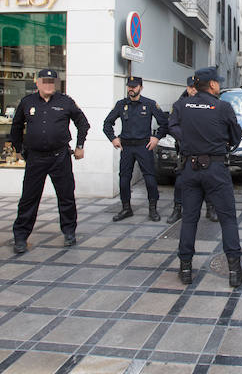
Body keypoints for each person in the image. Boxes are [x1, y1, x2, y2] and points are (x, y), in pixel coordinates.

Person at [168, 66, 242, 287]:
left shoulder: (182, 105)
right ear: (211, 84)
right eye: (218, 82)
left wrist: (187, 142)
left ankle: (185, 270)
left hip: (190, 169)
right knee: (228, 219)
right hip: (216, 169)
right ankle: (234, 271)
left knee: (189, 219)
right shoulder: (222, 107)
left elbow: (171, 125)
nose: (219, 85)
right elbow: (236, 137)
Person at [10, 69, 90, 253]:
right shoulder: (27, 102)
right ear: (37, 83)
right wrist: (18, 149)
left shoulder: (66, 101)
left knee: (66, 197)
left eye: (52, 82)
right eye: (45, 81)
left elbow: (83, 123)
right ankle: (21, 236)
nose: (49, 85)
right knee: (29, 199)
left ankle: (69, 232)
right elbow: (15, 126)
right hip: (35, 158)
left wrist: (80, 146)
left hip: (59, 157)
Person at [103, 76, 169, 222]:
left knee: (150, 179)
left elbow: (164, 123)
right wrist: (113, 138)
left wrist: (156, 137)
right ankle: (126, 208)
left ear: (141, 87)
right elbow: (107, 123)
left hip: (143, 146)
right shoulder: (121, 105)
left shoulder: (149, 104)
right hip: (126, 147)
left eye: (134, 86)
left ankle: (153, 209)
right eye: (129, 86)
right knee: (124, 179)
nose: (131, 89)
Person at [166, 77, 218, 224]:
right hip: (187, 151)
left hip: (206, 151)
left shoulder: (209, 103)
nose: (194, 90)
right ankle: (177, 209)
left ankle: (210, 208)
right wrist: (187, 137)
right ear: (188, 89)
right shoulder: (179, 105)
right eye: (191, 88)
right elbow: (172, 125)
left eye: (196, 87)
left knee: (209, 180)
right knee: (180, 181)